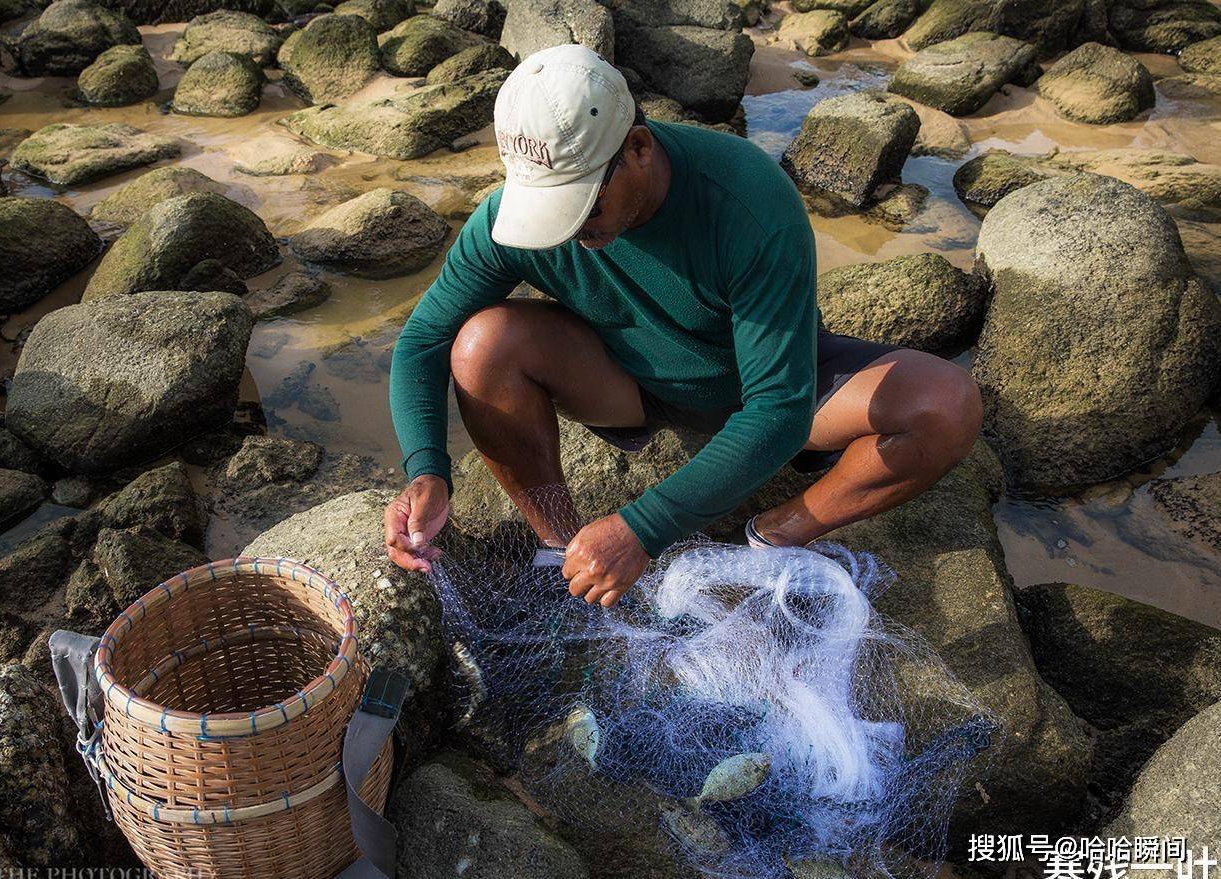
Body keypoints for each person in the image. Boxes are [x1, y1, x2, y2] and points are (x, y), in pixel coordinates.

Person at [383, 43, 983, 608]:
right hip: (630, 383)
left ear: (639, 149)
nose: (564, 230)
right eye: (548, 207)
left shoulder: (748, 202)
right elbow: (423, 341)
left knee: (944, 403)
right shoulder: (506, 221)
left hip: (763, 388)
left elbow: (777, 407)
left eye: (582, 204)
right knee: (481, 343)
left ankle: (772, 537)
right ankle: (562, 554)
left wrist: (642, 528)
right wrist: (427, 471)